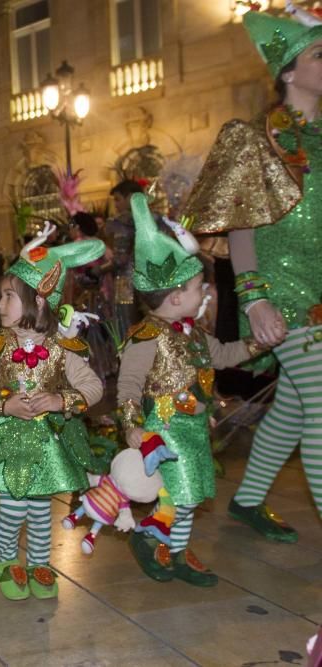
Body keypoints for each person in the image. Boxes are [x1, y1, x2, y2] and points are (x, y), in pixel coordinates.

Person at [185, 9, 322, 543]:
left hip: (320, 287)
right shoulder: (254, 138)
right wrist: (255, 299)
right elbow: (241, 225)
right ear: (287, 72)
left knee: (295, 400)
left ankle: (247, 499)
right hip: (278, 289)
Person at [119, 193, 267, 586]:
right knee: (180, 497)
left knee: (190, 499)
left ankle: (176, 551)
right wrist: (132, 424)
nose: (206, 294)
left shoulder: (195, 335)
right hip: (166, 430)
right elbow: (130, 384)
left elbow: (223, 355)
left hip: (195, 430)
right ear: (176, 296)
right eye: (202, 287)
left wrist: (258, 344)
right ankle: (151, 536)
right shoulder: (147, 336)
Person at [0, 231, 105, 601]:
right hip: (8, 444)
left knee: (40, 510)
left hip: (47, 446)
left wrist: (60, 400)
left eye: (9, 296)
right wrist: (3, 405)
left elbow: (94, 387)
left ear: (38, 300)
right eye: (1, 295)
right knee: (12, 508)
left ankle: (39, 562)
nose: (0, 303)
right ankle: (7, 561)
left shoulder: (63, 348)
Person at [67, 211, 117, 379]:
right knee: (103, 330)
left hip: (85, 297)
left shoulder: (78, 245)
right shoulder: (99, 243)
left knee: (86, 332)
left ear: (78, 227)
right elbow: (111, 262)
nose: (70, 230)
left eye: (71, 226)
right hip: (102, 295)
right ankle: (109, 365)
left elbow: (74, 273)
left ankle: (94, 368)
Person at [105, 179, 145, 341]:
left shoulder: (121, 222)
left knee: (127, 330)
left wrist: (98, 270)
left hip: (126, 283)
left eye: (118, 199)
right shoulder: (149, 219)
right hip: (149, 281)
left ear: (130, 198)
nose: (115, 205)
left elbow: (120, 259)